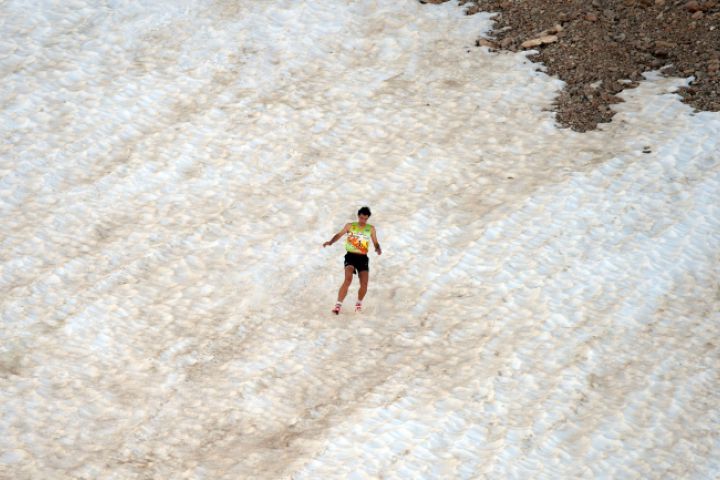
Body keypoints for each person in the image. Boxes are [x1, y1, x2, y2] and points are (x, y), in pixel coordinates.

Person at [323, 206, 382, 314]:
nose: (363, 221)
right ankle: (337, 306)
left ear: (368, 218)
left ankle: (358, 304)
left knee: (364, 284)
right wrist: (330, 242)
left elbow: (375, 242)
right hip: (350, 256)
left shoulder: (371, 228)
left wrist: (378, 248)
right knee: (348, 279)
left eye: (365, 219)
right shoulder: (350, 226)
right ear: (358, 216)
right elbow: (339, 235)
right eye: (361, 218)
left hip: (362, 258)